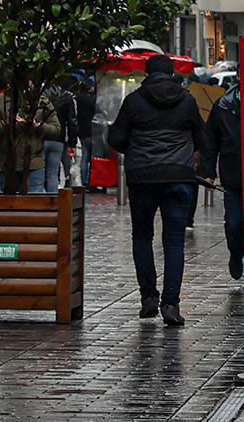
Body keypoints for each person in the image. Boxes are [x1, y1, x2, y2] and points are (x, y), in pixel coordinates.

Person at [108, 55, 206, 326]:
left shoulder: (134, 101)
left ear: (147, 74)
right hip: (179, 177)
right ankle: (171, 304)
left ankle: (149, 297)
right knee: (174, 241)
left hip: (143, 179)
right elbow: (201, 137)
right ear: (171, 73)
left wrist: (137, 150)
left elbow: (115, 137)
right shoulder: (187, 100)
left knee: (142, 237)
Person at [0, 89, 61, 193]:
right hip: (7, 163)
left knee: (34, 204)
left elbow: (56, 129)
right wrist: (8, 124)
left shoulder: (42, 102)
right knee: (7, 205)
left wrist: (37, 125)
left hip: (34, 164)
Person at [201, 84, 241, 280]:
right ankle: (236, 253)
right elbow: (210, 141)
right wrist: (208, 172)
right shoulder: (224, 106)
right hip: (233, 177)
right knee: (234, 224)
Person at [44, 86, 78, 192]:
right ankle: (52, 200)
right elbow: (72, 122)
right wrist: (72, 143)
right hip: (59, 138)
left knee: (39, 171)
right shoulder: (67, 98)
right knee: (53, 173)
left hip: (41, 136)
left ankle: (40, 200)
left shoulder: (41, 95)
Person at [76, 82, 97, 186]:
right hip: (93, 131)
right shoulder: (92, 100)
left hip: (82, 131)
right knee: (93, 157)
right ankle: (92, 181)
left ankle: (83, 181)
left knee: (84, 157)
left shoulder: (77, 100)